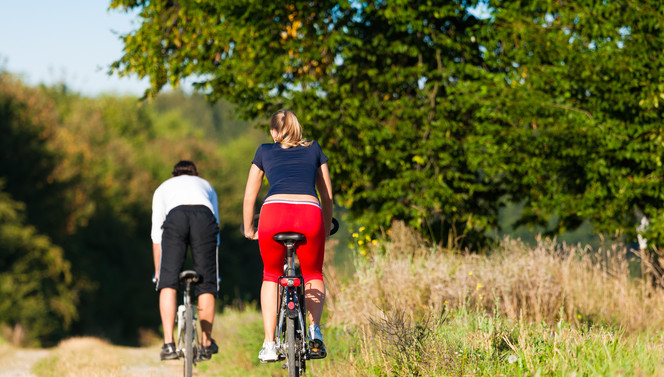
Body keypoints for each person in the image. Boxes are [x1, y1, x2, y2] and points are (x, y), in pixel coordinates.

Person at [243, 109, 334, 362]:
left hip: (273, 213)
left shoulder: (263, 151)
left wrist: (249, 228)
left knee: (271, 275)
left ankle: (270, 344)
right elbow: (326, 195)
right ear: (298, 128)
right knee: (313, 273)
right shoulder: (314, 149)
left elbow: (250, 195)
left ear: (273, 132)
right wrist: (324, 227)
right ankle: (315, 333)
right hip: (309, 213)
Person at [151, 160, 220, 361]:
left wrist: (159, 273)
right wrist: (215, 273)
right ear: (195, 174)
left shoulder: (163, 187)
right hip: (204, 217)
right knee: (207, 284)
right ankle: (206, 344)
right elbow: (216, 231)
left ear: (174, 175)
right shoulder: (206, 186)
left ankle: (168, 344)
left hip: (176, 217)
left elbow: (157, 236)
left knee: (168, 282)